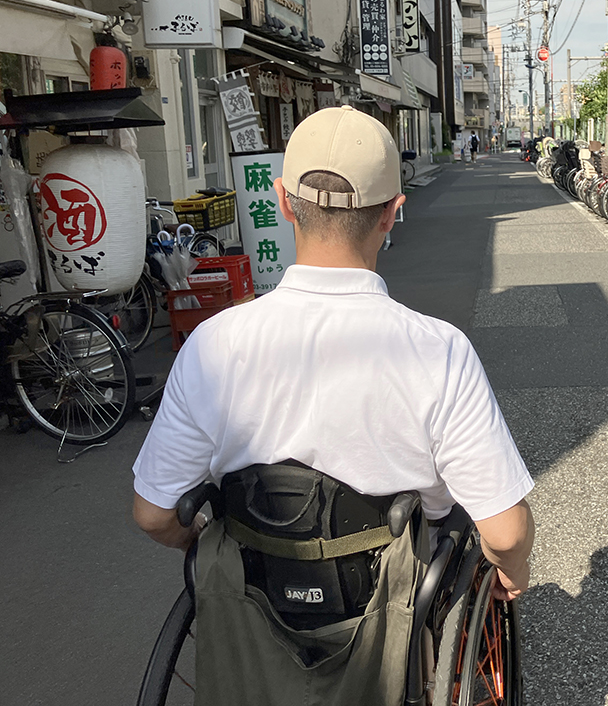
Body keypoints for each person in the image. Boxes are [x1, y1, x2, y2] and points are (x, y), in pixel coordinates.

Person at [131, 105, 535, 602]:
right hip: (393, 610)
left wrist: (204, 548)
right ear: (391, 211)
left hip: (255, 605)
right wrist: (512, 575)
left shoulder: (212, 345)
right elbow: (507, 533)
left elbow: (153, 513)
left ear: (281, 201)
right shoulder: (439, 350)